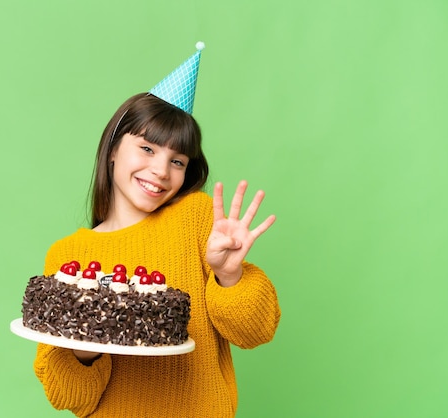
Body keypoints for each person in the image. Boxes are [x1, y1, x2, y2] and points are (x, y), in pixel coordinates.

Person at [32, 44, 281, 417]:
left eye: (177, 160)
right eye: (147, 149)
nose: (161, 171)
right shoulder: (69, 257)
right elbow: (70, 398)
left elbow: (256, 332)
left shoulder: (196, 218)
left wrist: (229, 275)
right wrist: (85, 344)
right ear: (114, 148)